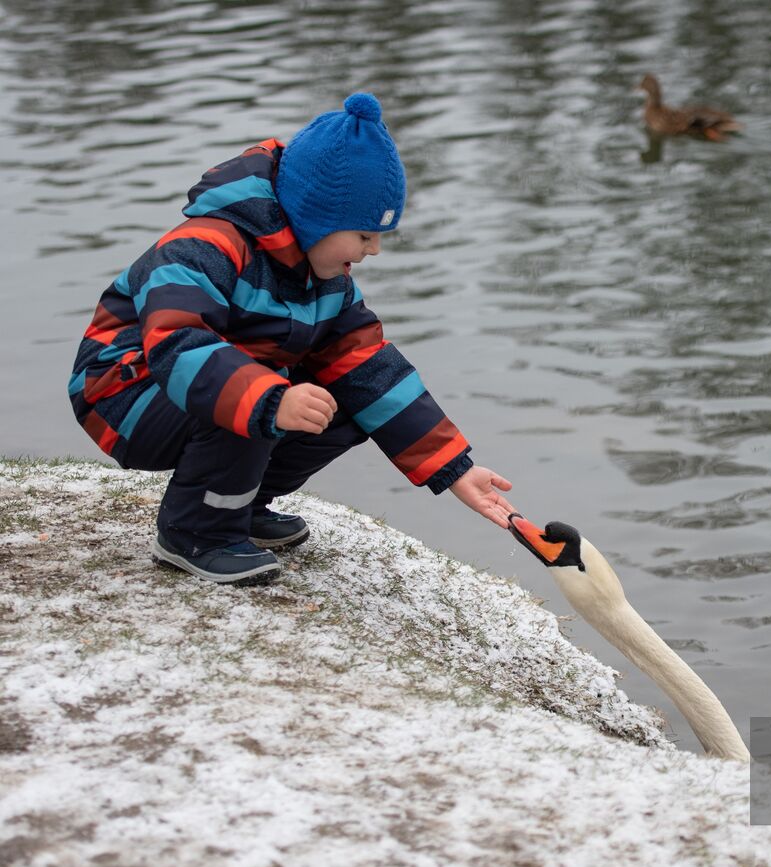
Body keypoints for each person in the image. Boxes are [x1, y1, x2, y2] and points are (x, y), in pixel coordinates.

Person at [67, 92, 516, 585]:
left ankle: (239, 504)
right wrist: (270, 397)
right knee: (261, 392)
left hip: (206, 387)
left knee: (348, 397)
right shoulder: (205, 247)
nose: (375, 251)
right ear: (315, 216)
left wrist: (453, 470)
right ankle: (196, 532)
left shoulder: (326, 282)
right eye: (364, 236)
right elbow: (177, 344)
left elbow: (371, 371)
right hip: (124, 389)